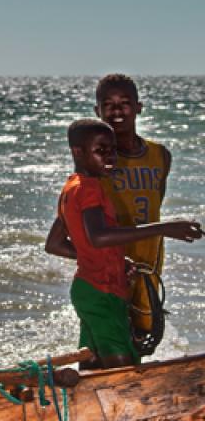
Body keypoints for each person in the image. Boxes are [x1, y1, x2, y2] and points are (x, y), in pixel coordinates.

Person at [45, 119, 200, 369]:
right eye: (100, 151)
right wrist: (165, 228)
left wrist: (114, 259)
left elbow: (54, 244)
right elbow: (98, 237)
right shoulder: (89, 189)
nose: (110, 157)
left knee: (92, 362)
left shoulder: (71, 187)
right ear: (78, 152)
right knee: (123, 366)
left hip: (88, 289)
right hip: (102, 291)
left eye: (112, 149)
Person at [95, 74, 175, 346]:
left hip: (148, 263)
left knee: (142, 339)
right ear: (98, 112)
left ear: (138, 107)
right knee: (107, 341)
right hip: (111, 265)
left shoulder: (160, 155)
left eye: (125, 103)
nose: (117, 111)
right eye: (109, 104)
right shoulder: (97, 160)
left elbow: (155, 203)